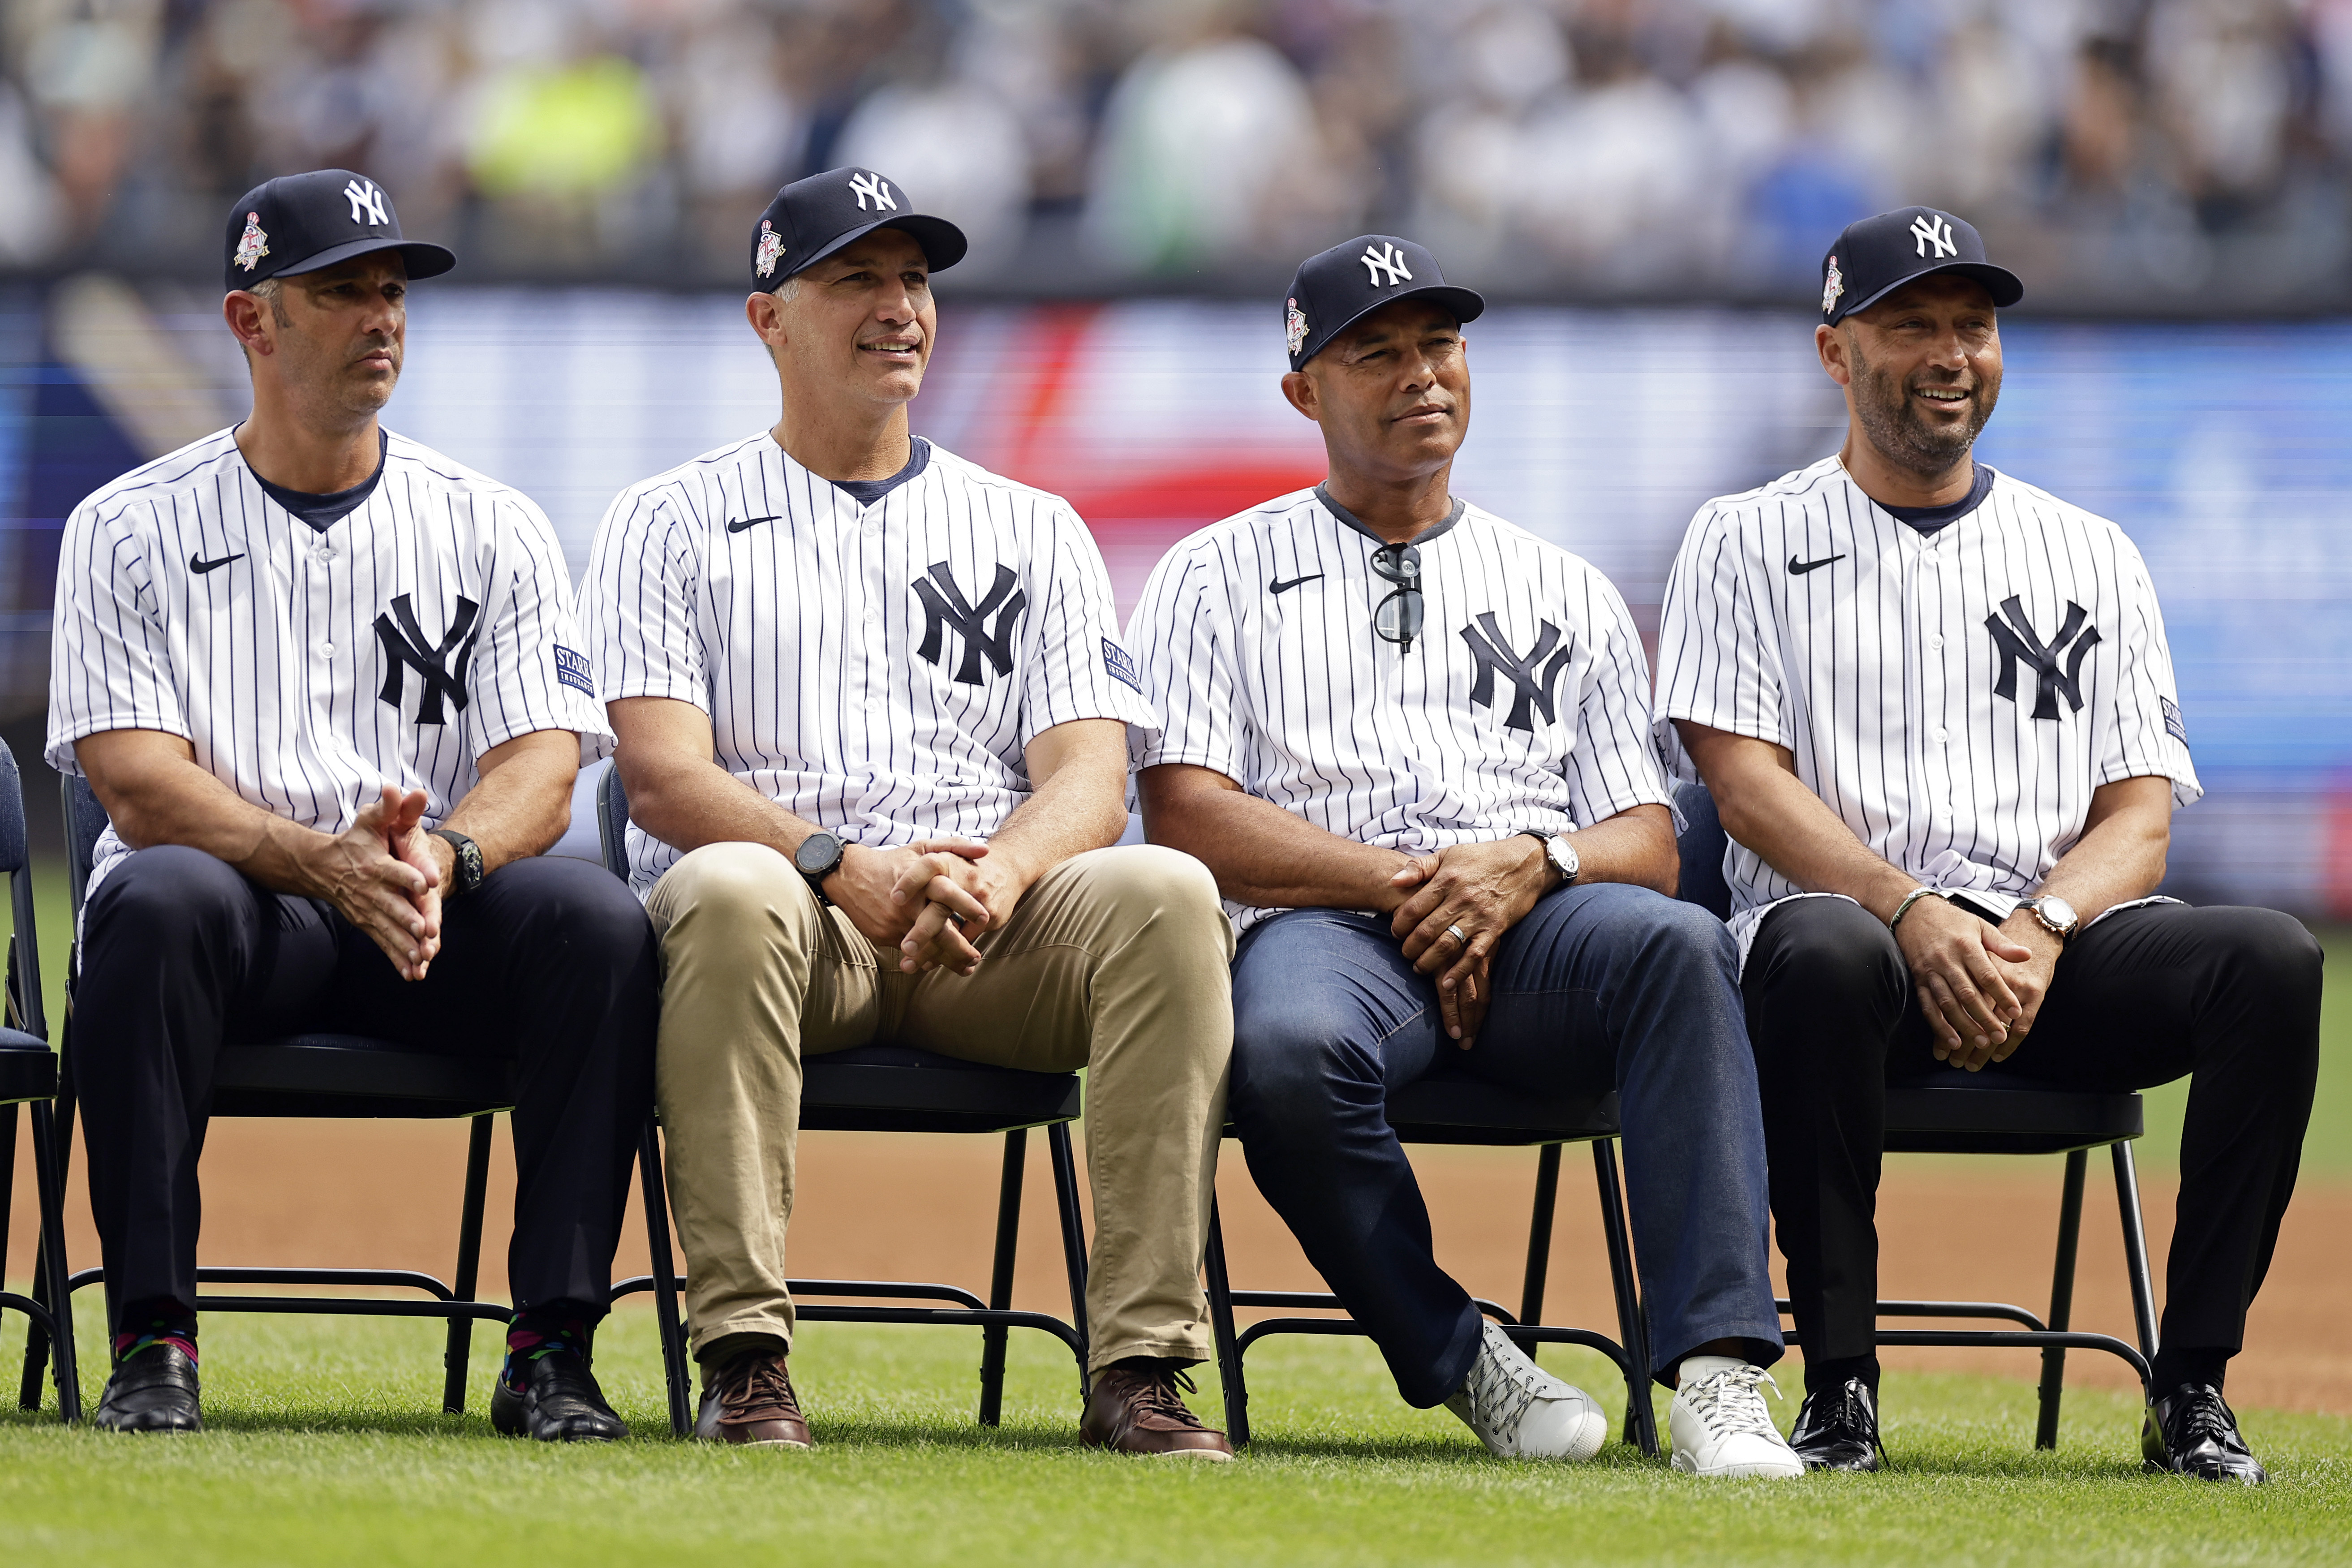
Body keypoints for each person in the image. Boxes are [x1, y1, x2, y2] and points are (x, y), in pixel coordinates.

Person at [577, 166, 1236, 1458]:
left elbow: (1092, 778)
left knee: (1169, 893)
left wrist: (998, 872)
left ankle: (1141, 1368)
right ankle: (744, 1357)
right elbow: (660, 776)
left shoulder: (1030, 525)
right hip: (792, 924)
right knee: (721, 885)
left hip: (992, 929)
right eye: (856, 279)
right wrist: (840, 866)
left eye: (915, 279)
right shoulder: (668, 520)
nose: (899, 308)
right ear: (770, 320)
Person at [1655, 206, 2319, 1483]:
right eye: (1910, 325)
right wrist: (1914, 914)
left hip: (2045, 953)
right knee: (1820, 949)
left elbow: (2140, 815)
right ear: (1834, 353)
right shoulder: (1739, 537)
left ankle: (2190, 1387)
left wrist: (2037, 931)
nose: (1949, 352)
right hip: (1843, 965)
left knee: (2272, 962)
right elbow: (1741, 788)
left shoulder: (2089, 550)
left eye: (1973, 324)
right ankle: (1839, 1385)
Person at [1128, 235, 1804, 1478]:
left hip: (1540, 928)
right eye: (1374, 353)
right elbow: (1187, 817)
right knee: (1282, 1050)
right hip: (1321, 924)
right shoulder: (1209, 574)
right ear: (1302, 392)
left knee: (1681, 945)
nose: (1419, 375)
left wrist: (1526, 868)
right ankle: (1458, 1355)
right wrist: (1421, 886)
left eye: (1438, 344)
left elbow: (1647, 842)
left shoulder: (1562, 585)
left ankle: (1717, 1374)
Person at [49, 169, 659, 1440]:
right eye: (342, 292)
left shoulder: (490, 522)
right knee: (154, 897)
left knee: (595, 922)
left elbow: (546, 766)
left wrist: (442, 856)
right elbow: (135, 782)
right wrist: (319, 861)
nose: (382, 316)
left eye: (392, 292)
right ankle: (151, 1342)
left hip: (423, 917)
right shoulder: (125, 525)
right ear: (250, 322)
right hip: (235, 921)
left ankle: (553, 1351)